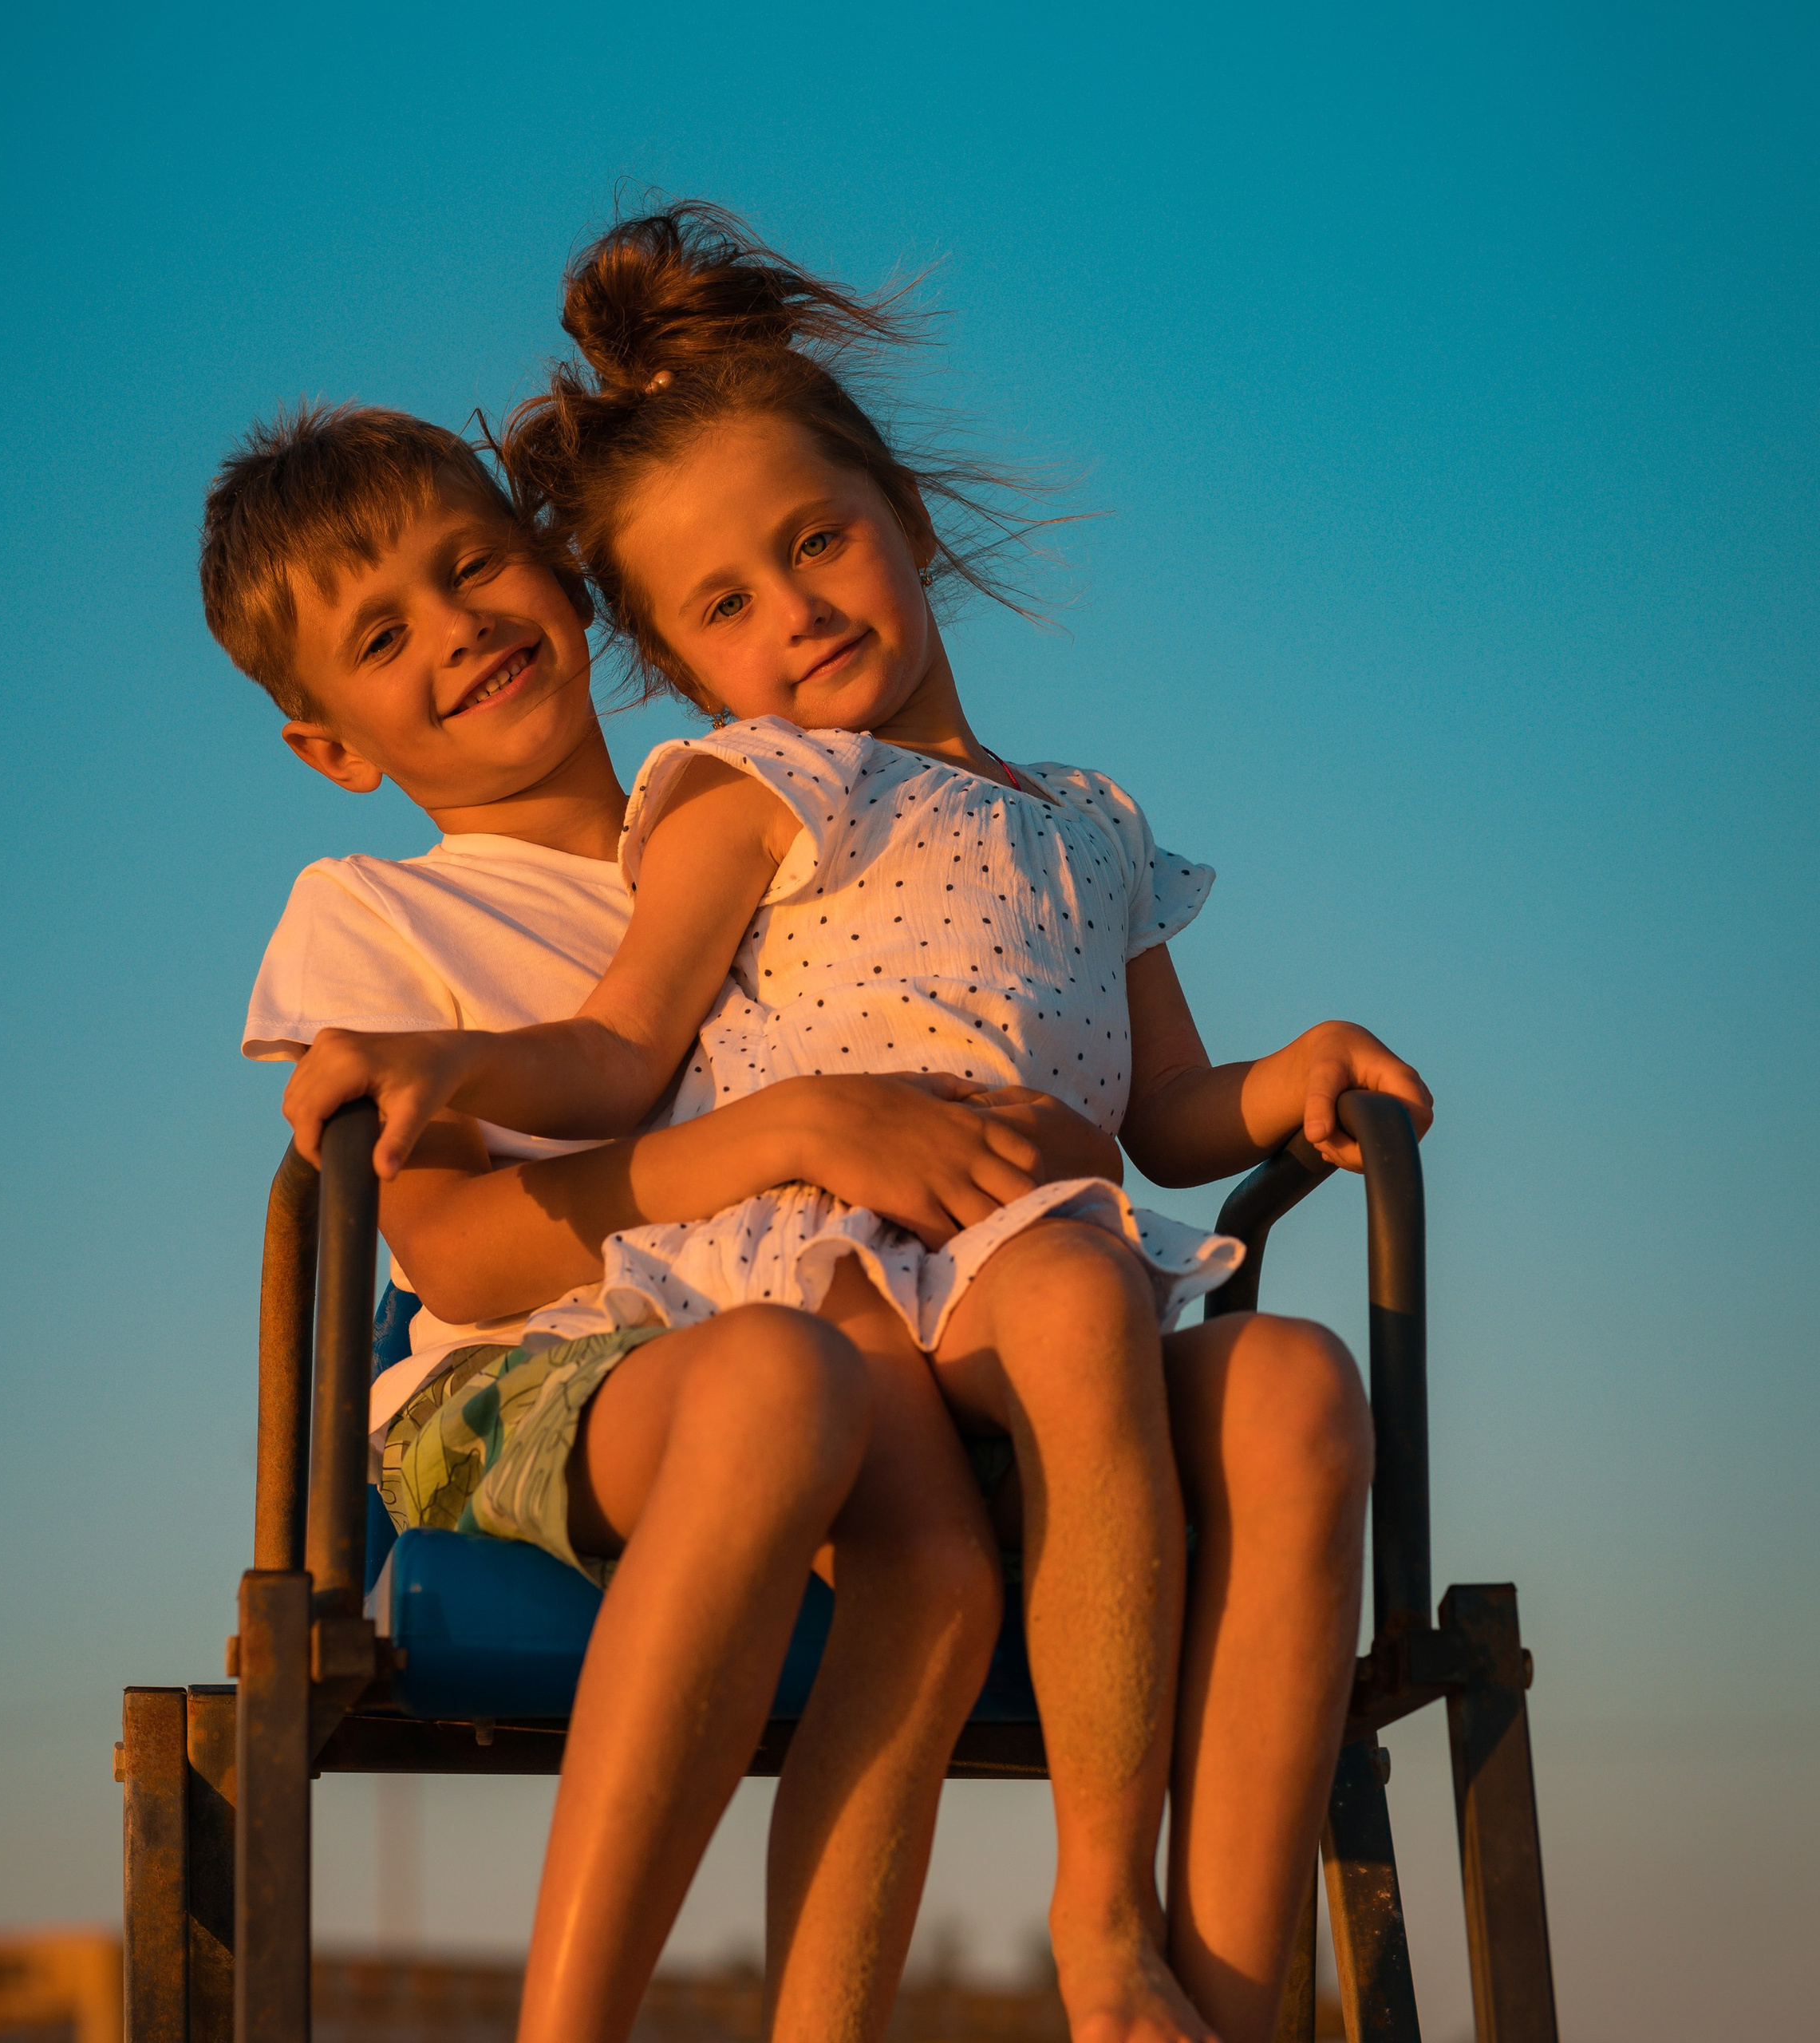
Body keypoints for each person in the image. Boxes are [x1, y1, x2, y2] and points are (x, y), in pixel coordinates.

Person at [288, 206, 1432, 2043]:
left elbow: (1162, 1109)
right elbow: (611, 1045)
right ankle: (1093, 1913)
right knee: (1023, 1384)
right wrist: (455, 1071)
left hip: (1021, 1257)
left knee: (1292, 1379)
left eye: (815, 542)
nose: (797, 610)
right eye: (724, 605)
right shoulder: (751, 790)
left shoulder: (1087, 822)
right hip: (830, 1269)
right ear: (677, 661)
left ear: (901, 513)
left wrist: (1282, 1078)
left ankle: (1209, 1998)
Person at [205, 402, 1126, 2043]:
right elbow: (455, 1254)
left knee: (954, 1512)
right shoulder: (378, 909)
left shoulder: (765, 808)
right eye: (383, 635)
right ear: (332, 745)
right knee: (777, 1380)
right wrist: (776, 1132)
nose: (459, 629)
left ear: (561, 576)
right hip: (524, 1379)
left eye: (473, 565)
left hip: (846, 1340)